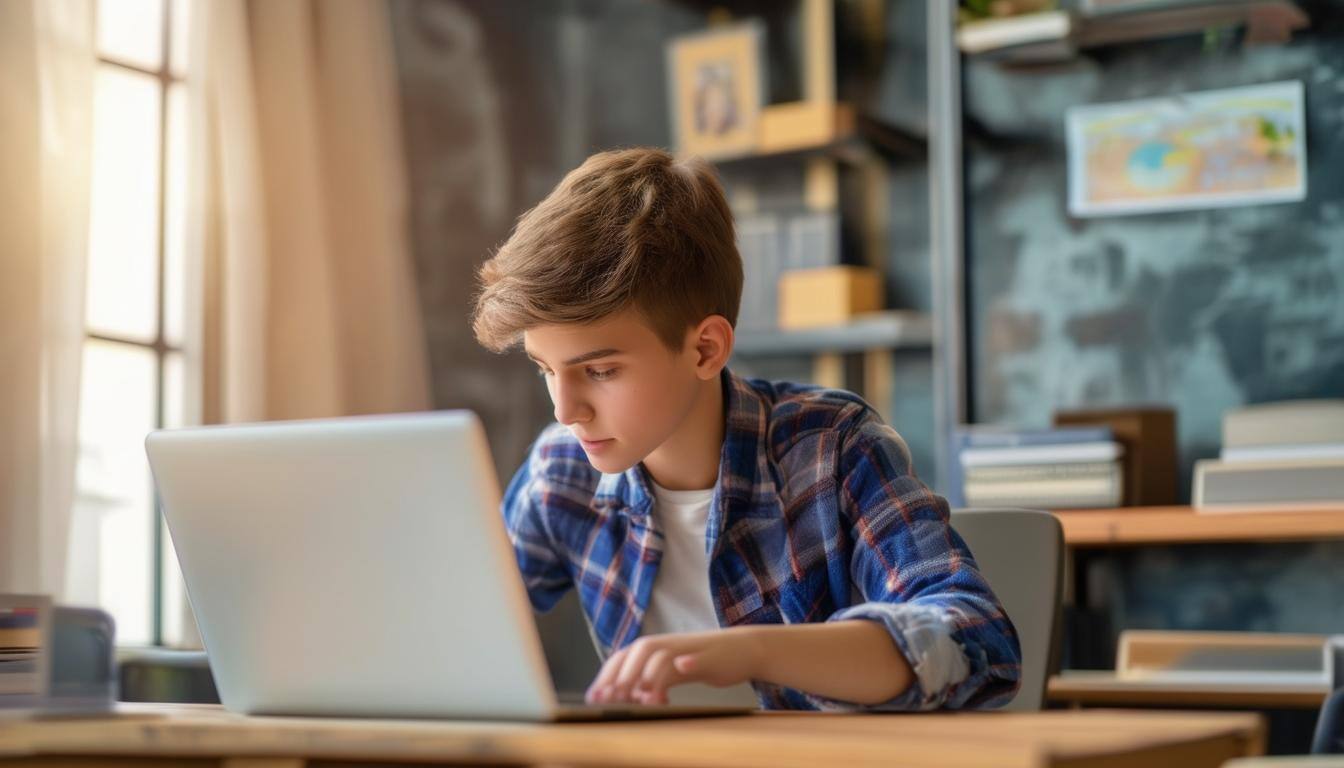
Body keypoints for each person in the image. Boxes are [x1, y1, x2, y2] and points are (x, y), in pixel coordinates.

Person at [470, 147, 1021, 711]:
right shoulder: (561, 469)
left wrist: (753, 651)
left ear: (705, 348)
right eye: (545, 369)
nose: (565, 411)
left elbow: (976, 637)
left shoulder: (832, 447)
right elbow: (457, 628)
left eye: (601, 370)